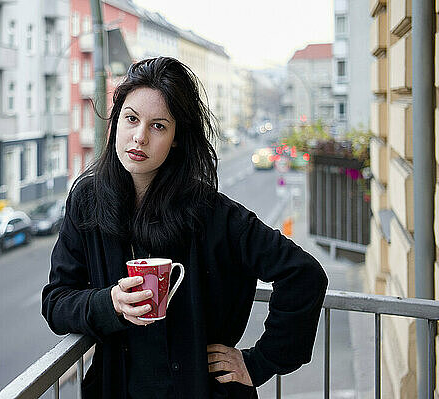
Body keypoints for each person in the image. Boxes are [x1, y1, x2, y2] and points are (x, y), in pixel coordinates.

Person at [42, 57, 328, 399]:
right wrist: (111, 303)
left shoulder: (211, 213)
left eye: (159, 126)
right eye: (131, 119)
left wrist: (260, 362)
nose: (140, 137)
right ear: (116, 120)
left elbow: (303, 274)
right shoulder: (87, 200)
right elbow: (57, 302)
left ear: (177, 138)